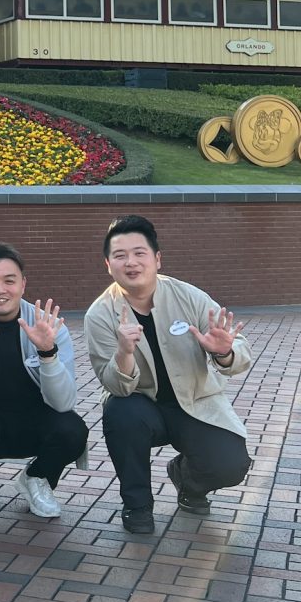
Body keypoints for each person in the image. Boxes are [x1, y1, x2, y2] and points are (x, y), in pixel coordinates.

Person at [85, 215, 252, 535]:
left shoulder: (189, 296)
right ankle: (137, 505)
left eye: (139, 253)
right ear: (108, 264)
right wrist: (124, 353)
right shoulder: (100, 315)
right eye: (120, 255)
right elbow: (114, 384)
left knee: (231, 465)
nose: (131, 262)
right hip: (140, 405)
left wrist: (224, 351)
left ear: (157, 259)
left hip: (194, 401)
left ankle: (186, 479)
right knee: (119, 411)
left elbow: (240, 354)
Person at [0, 244, 88, 520]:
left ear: (23, 284)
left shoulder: (47, 325)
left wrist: (47, 353)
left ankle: (37, 477)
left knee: (73, 430)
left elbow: (64, 403)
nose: (0, 289)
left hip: (36, 421)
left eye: (9, 281)